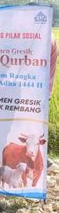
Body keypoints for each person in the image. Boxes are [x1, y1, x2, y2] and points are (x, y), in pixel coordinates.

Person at [47, 32, 57, 171]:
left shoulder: (44, 38)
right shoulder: (49, 35)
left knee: (32, 127)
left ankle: (44, 164)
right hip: (42, 91)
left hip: (36, 92)